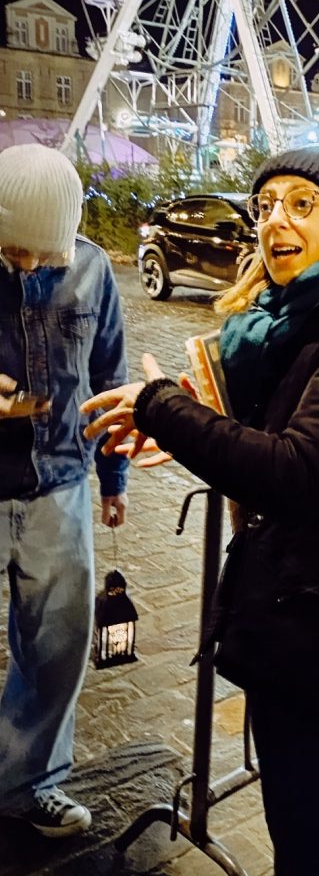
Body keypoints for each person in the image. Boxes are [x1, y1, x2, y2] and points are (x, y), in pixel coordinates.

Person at [81, 145, 319, 875]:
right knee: (298, 838)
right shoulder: (301, 318)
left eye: (302, 203)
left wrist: (161, 407)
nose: (276, 219)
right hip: (288, 625)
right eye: (265, 205)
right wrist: (186, 413)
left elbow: (297, 472)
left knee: (313, 857)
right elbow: (268, 435)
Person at [0, 145, 129, 838]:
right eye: (12, 251)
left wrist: (113, 479)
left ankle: (29, 782)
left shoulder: (93, 269)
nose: (27, 267)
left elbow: (109, 377)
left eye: (42, 255)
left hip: (61, 482)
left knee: (57, 651)